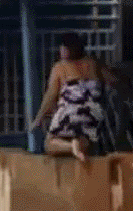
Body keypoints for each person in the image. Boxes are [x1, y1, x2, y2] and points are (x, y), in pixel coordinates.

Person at [30, 32, 114, 162]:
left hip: (70, 112)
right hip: (92, 115)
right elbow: (112, 81)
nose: (61, 50)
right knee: (86, 141)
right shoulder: (94, 64)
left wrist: (38, 119)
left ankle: (70, 147)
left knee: (49, 144)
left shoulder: (60, 67)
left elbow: (50, 95)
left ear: (69, 49)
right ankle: (78, 146)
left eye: (63, 47)